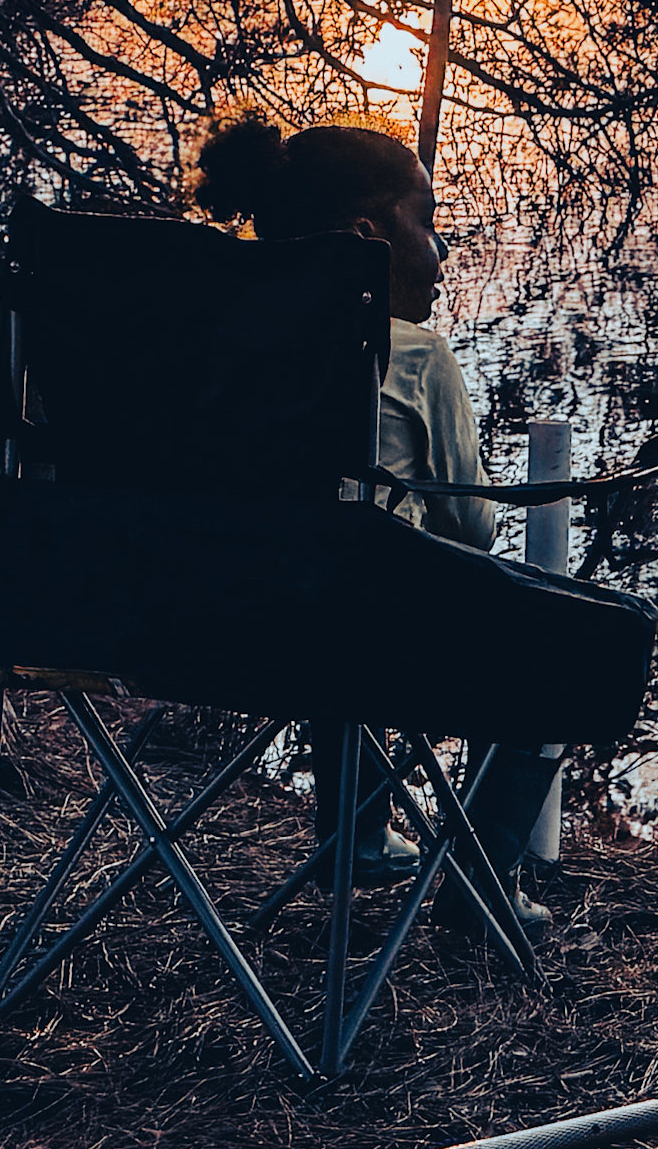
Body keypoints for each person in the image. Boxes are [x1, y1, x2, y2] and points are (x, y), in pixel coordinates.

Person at [191, 113, 553, 935]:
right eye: (425, 223)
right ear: (368, 234)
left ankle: (354, 833)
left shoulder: (212, 345)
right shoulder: (414, 353)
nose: (441, 250)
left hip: (199, 631)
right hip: (353, 640)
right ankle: (480, 882)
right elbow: (472, 531)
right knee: (560, 642)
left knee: (327, 565)